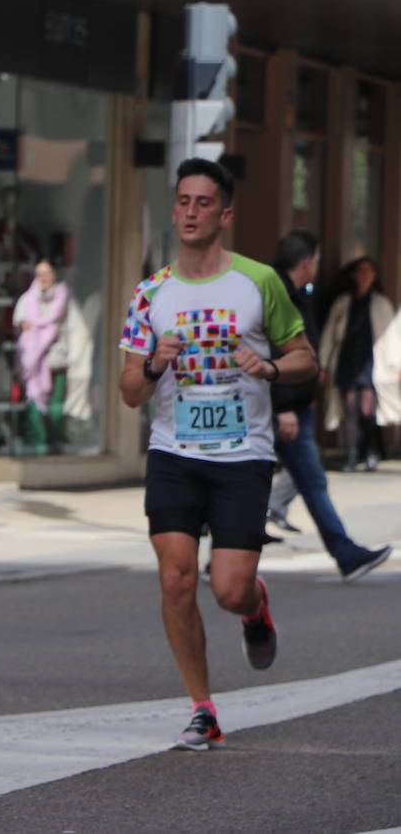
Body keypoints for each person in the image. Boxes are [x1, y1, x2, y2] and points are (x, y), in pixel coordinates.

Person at [118, 158, 317, 751]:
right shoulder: (151, 292)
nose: (190, 212)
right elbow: (130, 392)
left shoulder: (258, 282)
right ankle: (202, 707)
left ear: (224, 214)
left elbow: (308, 359)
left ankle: (255, 610)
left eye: (204, 202)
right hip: (174, 451)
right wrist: (155, 363)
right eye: (183, 201)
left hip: (243, 455)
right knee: (177, 579)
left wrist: (270, 366)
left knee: (229, 588)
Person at [265, 230, 392, 580]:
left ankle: (346, 554)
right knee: (262, 482)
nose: (319, 267)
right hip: (283, 408)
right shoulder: (276, 294)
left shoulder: (298, 292)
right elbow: (273, 354)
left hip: (297, 405)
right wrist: (284, 407)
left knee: (309, 480)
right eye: (317, 260)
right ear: (305, 262)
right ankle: (222, 558)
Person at [319, 257, 393, 471]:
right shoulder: (343, 302)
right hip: (347, 359)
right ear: (353, 275)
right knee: (349, 407)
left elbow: (392, 339)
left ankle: (370, 451)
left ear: (374, 275)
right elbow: (329, 335)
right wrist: (323, 364)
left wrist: (394, 365)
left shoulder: (381, 303)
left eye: (368, 271)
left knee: (367, 409)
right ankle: (351, 455)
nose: (364, 275)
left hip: (372, 361)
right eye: (360, 271)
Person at [13, 258, 69, 455]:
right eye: (39, 274)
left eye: (46, 273)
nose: (43, 278)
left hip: (58, 360)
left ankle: (57, 443)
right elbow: (22, 324)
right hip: (34, 363)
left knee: (56, 409)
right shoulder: (27, 299)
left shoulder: (63, 297)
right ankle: (39, 445)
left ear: (54, 275)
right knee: (35, 405)